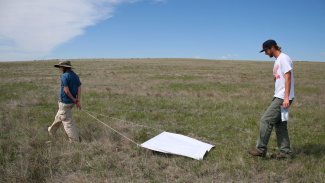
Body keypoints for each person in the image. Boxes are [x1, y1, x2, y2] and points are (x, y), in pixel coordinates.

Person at [248, 40, 295, 158]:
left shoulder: (283, 58)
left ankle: (260, 149)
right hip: (279, 96)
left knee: (265, 120)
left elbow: (288, 77)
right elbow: (279, 78)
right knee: (280, 124)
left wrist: (285, 98)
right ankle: (285, 152)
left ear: (272, 47)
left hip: (283, 97)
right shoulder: (277, 61)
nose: (265, 53)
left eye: (266, 50)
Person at [48, 60, 82, 142]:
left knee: (67, 122)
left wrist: (74, 99)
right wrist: (77, 101)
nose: (59, 68)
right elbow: (79, 88)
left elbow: (66, 90)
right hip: (70, 103)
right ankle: (51, 131)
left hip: (65, 103)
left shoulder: (64, 76)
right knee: (59, 117)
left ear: (64, 67)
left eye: (60, 67)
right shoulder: (75, 76)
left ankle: (75, 141)